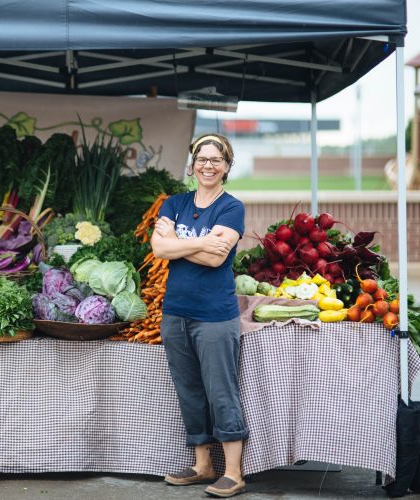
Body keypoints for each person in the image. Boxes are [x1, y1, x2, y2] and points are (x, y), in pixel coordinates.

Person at [150, 133, 247, 498]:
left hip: (213, 315)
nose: (208, 165)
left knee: (221, 391)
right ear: (192, 165)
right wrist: (201, 241)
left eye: (216, 160)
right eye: (202, 159)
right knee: (189, 389)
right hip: (175, 312)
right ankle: (202, 464)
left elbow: (216, 258)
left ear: (227, 167)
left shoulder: (231, 207)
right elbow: (159, 248)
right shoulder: (174, 203)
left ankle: (234, 473)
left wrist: (179, 244)